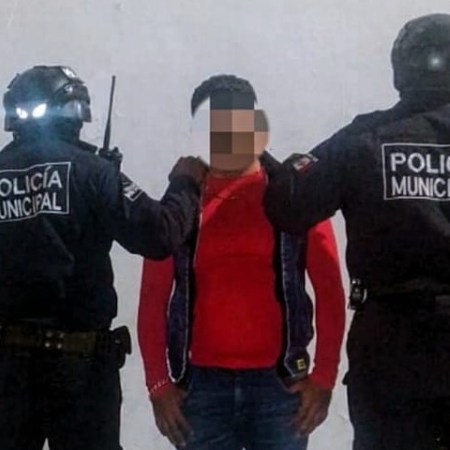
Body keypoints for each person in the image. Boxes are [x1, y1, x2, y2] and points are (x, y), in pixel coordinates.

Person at [264, 13, 450, 450]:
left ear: (401, 67)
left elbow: (289, 206)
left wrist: (283, 167)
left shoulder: (365, 138)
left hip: (392, 346)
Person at [0, 65, 206, 450]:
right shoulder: (93, 171)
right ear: (75, 112)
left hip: (8, 371)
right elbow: (160, 235)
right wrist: (185, 184)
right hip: (79, 368)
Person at [138, 74, 345, 450]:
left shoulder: (295, 196)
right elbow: (153, 299)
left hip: (281, 389)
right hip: (200, 390)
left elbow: (330, 289)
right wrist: (158, 385)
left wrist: (324, 378)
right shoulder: (181, 205)